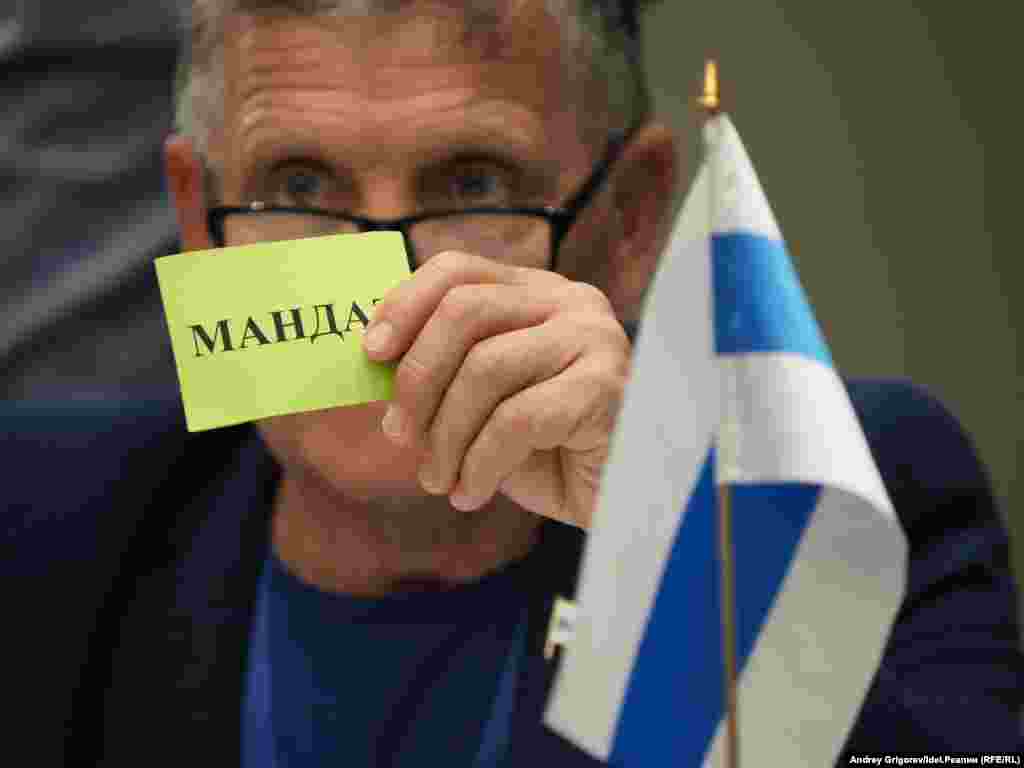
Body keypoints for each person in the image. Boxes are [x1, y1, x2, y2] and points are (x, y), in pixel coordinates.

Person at [3, 1, 1021, 765]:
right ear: (197, 222)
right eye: (299, 186)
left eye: (472, 184)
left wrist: (669, 532)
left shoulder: (848, 496)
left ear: (630, 220)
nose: (392, 287)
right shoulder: (36, 524)